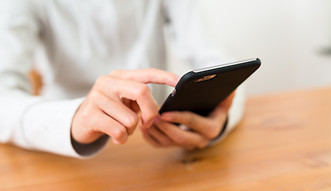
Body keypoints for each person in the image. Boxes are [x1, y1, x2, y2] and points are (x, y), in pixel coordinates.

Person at [0, 0, 245, 158]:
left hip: (158, 152)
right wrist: (72, 119)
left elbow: (215, 61)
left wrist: (220, 120)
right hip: (58, 154)